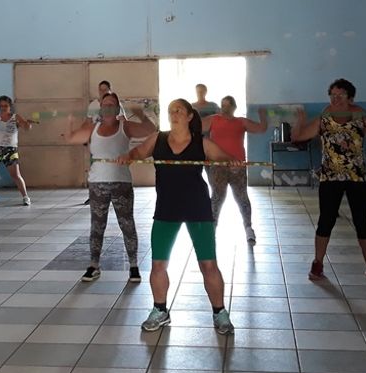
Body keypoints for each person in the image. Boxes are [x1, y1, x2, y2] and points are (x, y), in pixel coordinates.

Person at [119, 98, 237, 335]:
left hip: (198, 208)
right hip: (166, 208)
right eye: (171, 110)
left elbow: (223, 157)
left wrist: (231, 162)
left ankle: (220, 313)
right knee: (158, 263)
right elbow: (138, 151)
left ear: (189, 116)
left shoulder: (201, 143)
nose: (174, 114)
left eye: (179, 110)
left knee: (209, 264)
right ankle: (160, 310)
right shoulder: (158, 138)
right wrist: (129, 156)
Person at [292, 78, 366, 283]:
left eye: (341, 95)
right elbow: (298, 137)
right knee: (326, 221)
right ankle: (318, 263)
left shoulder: (359, 116)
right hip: (330, 177)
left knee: (362, 222)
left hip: (357, 177)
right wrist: (300, 121)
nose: (336, 99)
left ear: (350, 97)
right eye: (333, 95)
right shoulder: (324, 118)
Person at [65, 92, 157, 284]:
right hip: (97, 183)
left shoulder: (126, 126)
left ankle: (133, 266)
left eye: (112, 105)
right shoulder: (92, 127)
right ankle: (94, 265)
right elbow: (71, 138)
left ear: (117, 109)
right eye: (105, 104)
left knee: (127, 225)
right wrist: (70, 122)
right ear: (100, 108)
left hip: (121, 183)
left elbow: (151, 129)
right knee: (97, 226)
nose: (108, 108)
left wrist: (140, 114)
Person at [203, 96, 269, 244]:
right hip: (218, 166)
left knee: (241, 197)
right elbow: (193, 128)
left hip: (237, 167)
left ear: (234, 107)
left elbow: (261, 128)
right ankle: (211, 228)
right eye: (223, 105)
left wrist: (263, 116)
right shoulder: (213, 119)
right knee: (217, 197)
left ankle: (248, 228)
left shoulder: (241, 122)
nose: (225, 108)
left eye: (228, 105)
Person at [0, 95, 32, 205]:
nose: (3, 108)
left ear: (10, 106)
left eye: (5, 106)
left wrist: (27, 124)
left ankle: (25, 197)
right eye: (1, 106)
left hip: (10, 150)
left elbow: (26, 127)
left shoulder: (16, 117)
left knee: (16, 175)